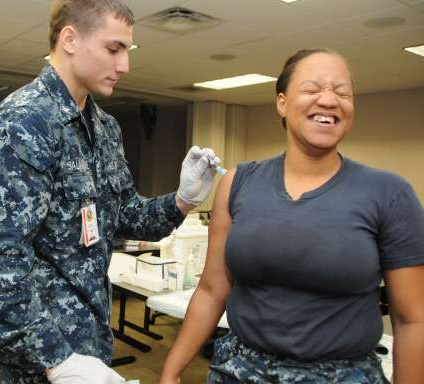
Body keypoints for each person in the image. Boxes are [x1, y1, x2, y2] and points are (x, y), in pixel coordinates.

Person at [0, 0, 220, 384]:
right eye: (113, 49)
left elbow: (127, 217)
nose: (124, 65)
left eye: (127, 51)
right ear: (69, 38)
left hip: (91, 343)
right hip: (42, 358)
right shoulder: (23, 122)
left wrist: (183, 201)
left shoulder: (105, 128)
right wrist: (56, 361)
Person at [160, 48, 424, 384]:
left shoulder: (389, 194)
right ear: (282, 103)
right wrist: (171, 370)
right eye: (313, 89)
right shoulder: (237, 183)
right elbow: (212, 290)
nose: (329, 100)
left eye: (342, 92)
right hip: (240, 372)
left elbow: (413, 319)